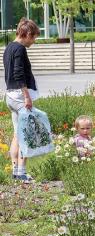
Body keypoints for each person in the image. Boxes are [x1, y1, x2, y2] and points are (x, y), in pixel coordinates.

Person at [3, 18, 40, 181]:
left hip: (10, 95)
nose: (33, 41)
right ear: (27, 34)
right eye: (33, 38)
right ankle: (22, 172)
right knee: (27, 134)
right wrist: (26, 96)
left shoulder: (9, 47)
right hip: (20, 97)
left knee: (17, 135)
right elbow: (18, 73)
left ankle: (15, 171)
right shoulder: (20, 49)